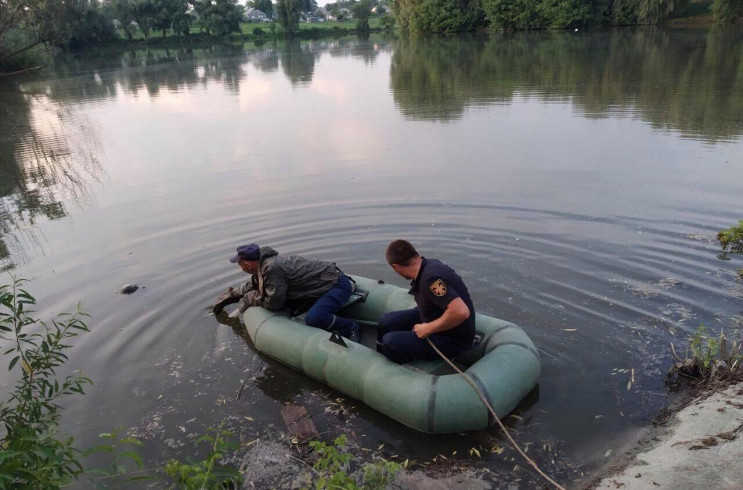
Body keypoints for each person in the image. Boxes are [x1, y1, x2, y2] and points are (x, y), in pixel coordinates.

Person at [225, 243, 360, 342]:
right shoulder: (263, 265)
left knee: (314, 318)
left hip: (336, 284)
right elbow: (252, 285)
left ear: (247, 265)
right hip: (322, 284)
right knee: (296, 308)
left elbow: (273, 304)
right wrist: (231, 296)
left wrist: (250, 297)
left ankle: (350, 326)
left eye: (240, 264)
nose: (241, 267)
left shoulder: (271, 269)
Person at [378, 239, 475, 364]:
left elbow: (461, 312)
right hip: (438, 318)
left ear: (396, 267)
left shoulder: (430, 279)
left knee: (390, 342)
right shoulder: (429, 265)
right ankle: (379, 354)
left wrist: (428, 328)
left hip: (453, 340)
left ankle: (406, 367)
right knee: (386, 321)